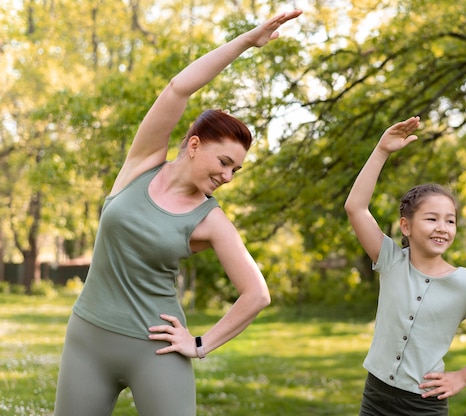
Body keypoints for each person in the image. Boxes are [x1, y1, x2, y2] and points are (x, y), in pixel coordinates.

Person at [54, 10, 303, 416]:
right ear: (193, 144)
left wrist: (201, 344)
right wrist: (246, 41)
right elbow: (178, 88)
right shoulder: (141, 164)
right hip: (87, 340)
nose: (228, 176)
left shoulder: (210, 220)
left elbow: (257, 294)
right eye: (223, 162)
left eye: (235, 170)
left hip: (157, 351)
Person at [344, 116, 466, 416]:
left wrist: (462, 377)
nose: (442, 227)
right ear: (406, 226)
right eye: (431, 218)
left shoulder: (465, 284)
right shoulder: (390, 261)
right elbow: (356, 208)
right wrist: (381, 151)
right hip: (375, 396)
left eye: (450, 221)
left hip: (423, 405)